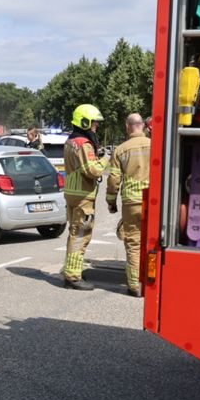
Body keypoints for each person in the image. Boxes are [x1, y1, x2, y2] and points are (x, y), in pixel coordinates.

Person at [60, 104, 107, 290]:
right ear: (85, 122)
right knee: (80, 235)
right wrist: (105, 159)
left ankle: (72, 271)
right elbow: (92, 171)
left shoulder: (70, 141)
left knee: (74, 233)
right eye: (94, 122)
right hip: (83, 196)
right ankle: (73, 277)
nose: (96, 125)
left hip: (72, 193)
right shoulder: (84, 144)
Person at [106, 113, 151, 297]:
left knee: (133, 242)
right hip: (154, 201)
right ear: (143, 126)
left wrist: (111, 202)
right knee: (153, 241)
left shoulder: (120, 150)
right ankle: (152, 282)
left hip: (131, 202)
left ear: (127, 127)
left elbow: (114, 179)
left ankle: (135, 285)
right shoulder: (155, 145)